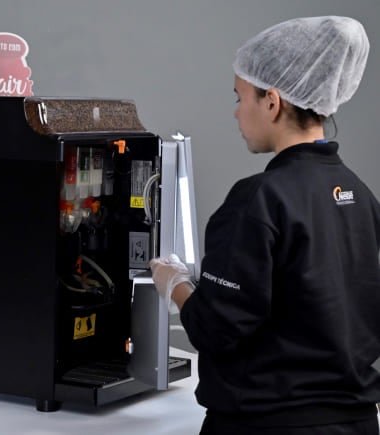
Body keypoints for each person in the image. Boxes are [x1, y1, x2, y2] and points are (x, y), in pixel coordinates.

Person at [150, 16, 380, 435]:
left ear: (272, 102)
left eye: (240, 97)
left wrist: (175, 283)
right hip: (358, 423)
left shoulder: (258, 199)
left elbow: (214, 328)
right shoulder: (359, 194)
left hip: (268, 424)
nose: (237, 113)